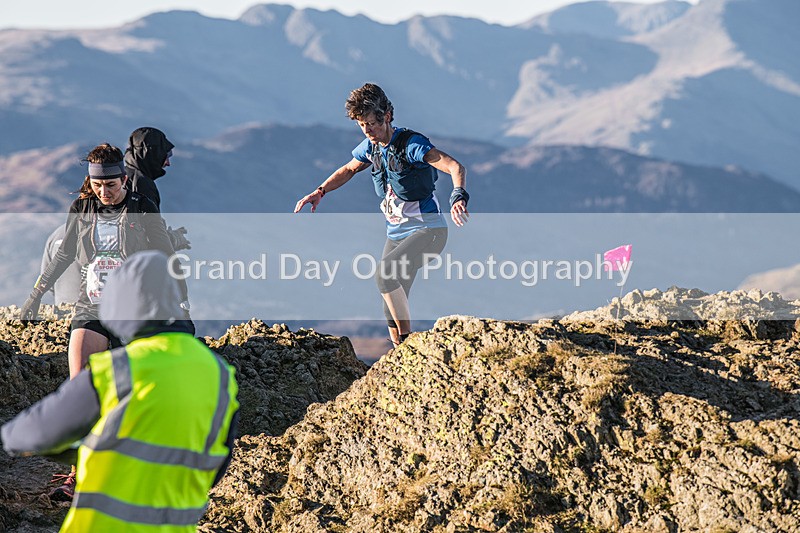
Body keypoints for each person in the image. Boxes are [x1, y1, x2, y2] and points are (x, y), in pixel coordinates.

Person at [2, 250, 239, 532]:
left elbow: (27, 436)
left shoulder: (118, 370)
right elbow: (215, 468)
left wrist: (86, 450)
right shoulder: (220, 375)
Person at [19, 143, 186, 499]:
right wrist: (35, 296)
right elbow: (64, 252)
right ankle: (80, 475)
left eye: (110, 185)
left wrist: (179, 305)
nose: (104, 192)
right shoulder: (82, 208)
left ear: (124, 179)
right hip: (91, 307)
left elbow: (166, 255)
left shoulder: (143, 207)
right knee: (81, 391)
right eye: (98, 186)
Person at [295, 83, 469, 346]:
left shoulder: (412, 145)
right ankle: (401, 352)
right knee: (390, 301)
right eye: (361, 125)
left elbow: (455, 166)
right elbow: (348, 170)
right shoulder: (371, 147)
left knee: (384, 275)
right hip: (397, 234)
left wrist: (458, 196)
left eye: (371, 124)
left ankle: (410, 344)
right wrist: (320, 191)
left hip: (429, 231)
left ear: (387, 116)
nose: (367, 131)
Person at [124, 126, 191, 251]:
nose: (167, 163)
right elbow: (151, 236)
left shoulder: (121, 177)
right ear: (152, 154)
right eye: (165, 155)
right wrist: (172, 240)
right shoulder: (142, 185)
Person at [40, 225, 81, 306]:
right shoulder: (102, 235)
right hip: (93, 310)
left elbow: (46, 280)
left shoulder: (56, 235)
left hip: (63, 310)